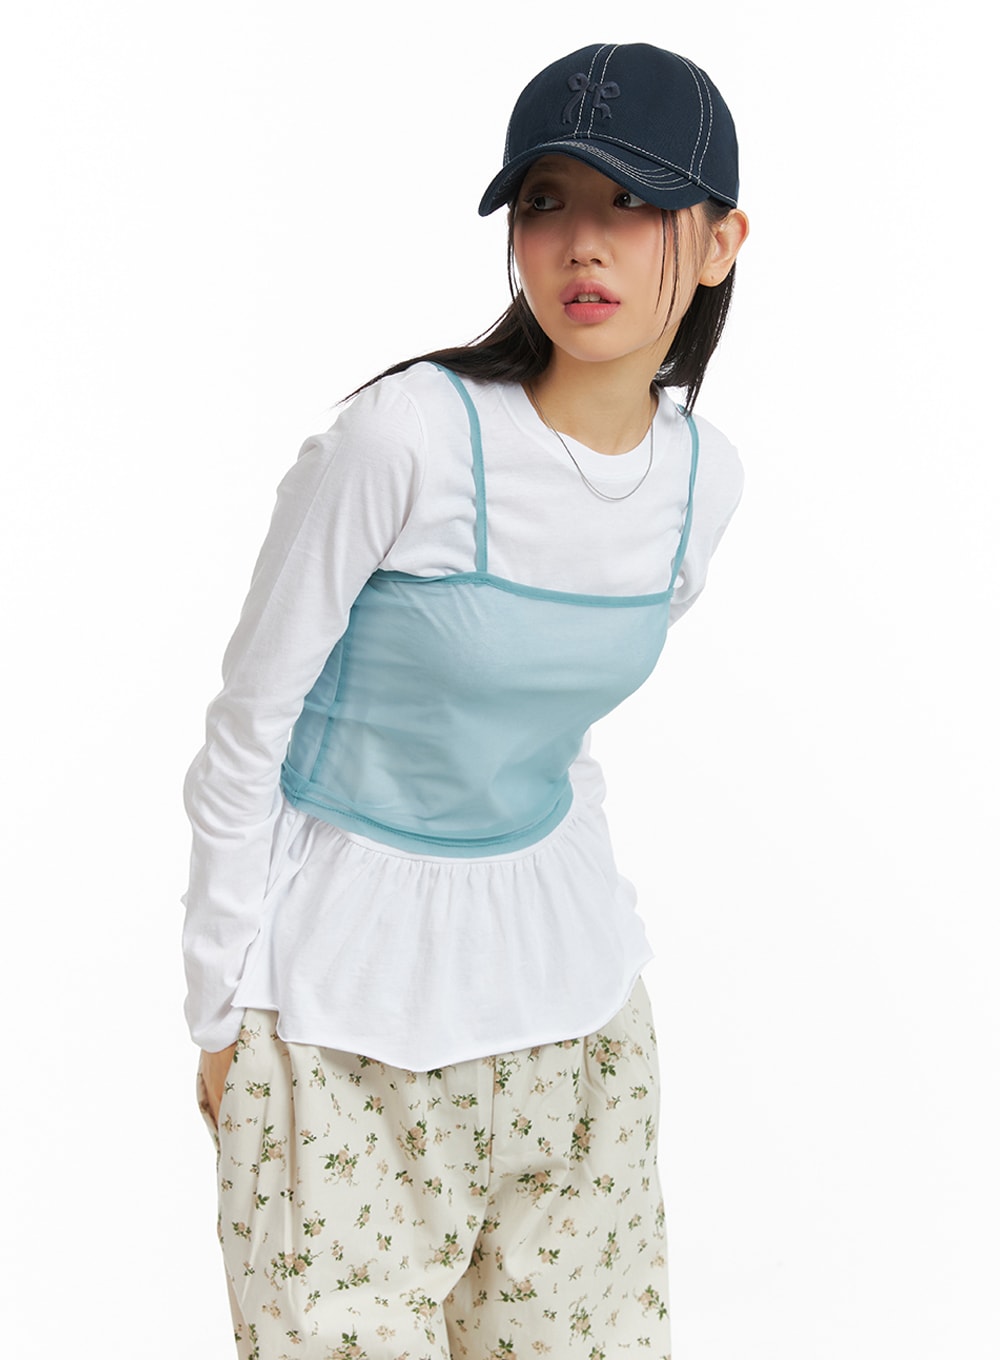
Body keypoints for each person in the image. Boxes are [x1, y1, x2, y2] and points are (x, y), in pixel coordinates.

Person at [184, 41, 749, 1360]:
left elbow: (556, 736)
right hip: (335, 1023)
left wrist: (597, 928)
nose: (582, 243)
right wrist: (220, 1012)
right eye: (547, 202)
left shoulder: (700, 481)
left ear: (721, 242)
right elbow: (248, 728)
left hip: (575, 1022)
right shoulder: (404, 438)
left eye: (631, 203)